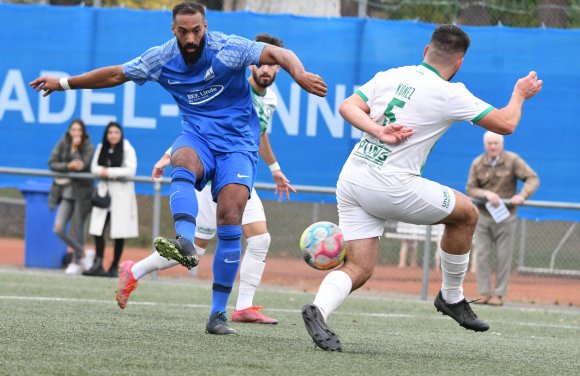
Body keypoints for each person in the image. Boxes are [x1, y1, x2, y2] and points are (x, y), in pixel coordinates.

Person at [31, 2, 326, 335]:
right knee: (181, 160)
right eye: (183, 31)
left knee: (231, 217)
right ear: (173, 29)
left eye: (196, 30)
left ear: (205, 27)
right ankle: (183, 240)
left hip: (238, 146)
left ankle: (218, 315)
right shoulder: (161, 58)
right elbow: (116, 73)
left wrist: (298, 74)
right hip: (197, 137)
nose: (190, 37)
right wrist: (64, 83)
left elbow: (277, 53)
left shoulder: (228, 49)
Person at [301, 24, 542, 352]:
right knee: (466, 214)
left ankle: (318, 310)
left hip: (352, 180)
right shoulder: (450, 92)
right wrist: (519, 94)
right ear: (458, 64)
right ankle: (451, 296)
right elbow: (507, 124)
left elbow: (346, 107)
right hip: (391, 186)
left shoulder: (390, 75)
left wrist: (377, 129)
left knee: (358, 267)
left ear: (425, 51)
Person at [115, 34, 293, 326]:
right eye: (262, 63)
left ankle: (243, 307)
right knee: (195, 250)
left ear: (278, 68)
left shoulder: (269, 99)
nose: (267, 69)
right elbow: (204, 126)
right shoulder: (234, 86)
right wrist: (167, 155)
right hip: (215, 176)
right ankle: (134, 271)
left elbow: (258, 133)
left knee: (260, 238)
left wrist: (274, 168)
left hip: (239, 171)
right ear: (251, 65)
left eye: (273, 65)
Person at [466, 131, 539, 307]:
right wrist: (485, 193)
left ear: (501, 145)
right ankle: (484, 293)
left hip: (506, 216)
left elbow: (532, 178)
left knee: (504, 256)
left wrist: (522, 195)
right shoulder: (477, 163)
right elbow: (470, 188)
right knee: (482, 255)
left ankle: (498, 294)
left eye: (495, 143)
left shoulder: (513, 160)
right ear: (485, 145)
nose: (493, 146)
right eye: (490, 143)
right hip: (483, 215)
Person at [83, 121, 139, 278]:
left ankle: (114, 266)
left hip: (121, 195)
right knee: (97, 229)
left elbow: (130, 170)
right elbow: (94, 168)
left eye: (116, 132)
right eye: (110, 133)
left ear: (120, 134)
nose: (113, 135)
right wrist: (102, 172)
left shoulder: (127, 148)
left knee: (119, 232)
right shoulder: (101, 147)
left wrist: (110, 172)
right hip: (104, 194)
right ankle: (98, 263)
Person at [48, 119, 95, 275]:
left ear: (83, 132)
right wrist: (67, 166)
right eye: (73, 130)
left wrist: (75, 150)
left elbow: (83, 165)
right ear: (69, 131)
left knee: (78, 229)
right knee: (58, 228)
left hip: (82, 193)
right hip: (66, 192)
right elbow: (52, 162)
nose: (76, 133)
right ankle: (82, 253)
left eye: (79, 130)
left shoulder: (88, 145)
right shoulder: (63, 142)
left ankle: (76, 262)